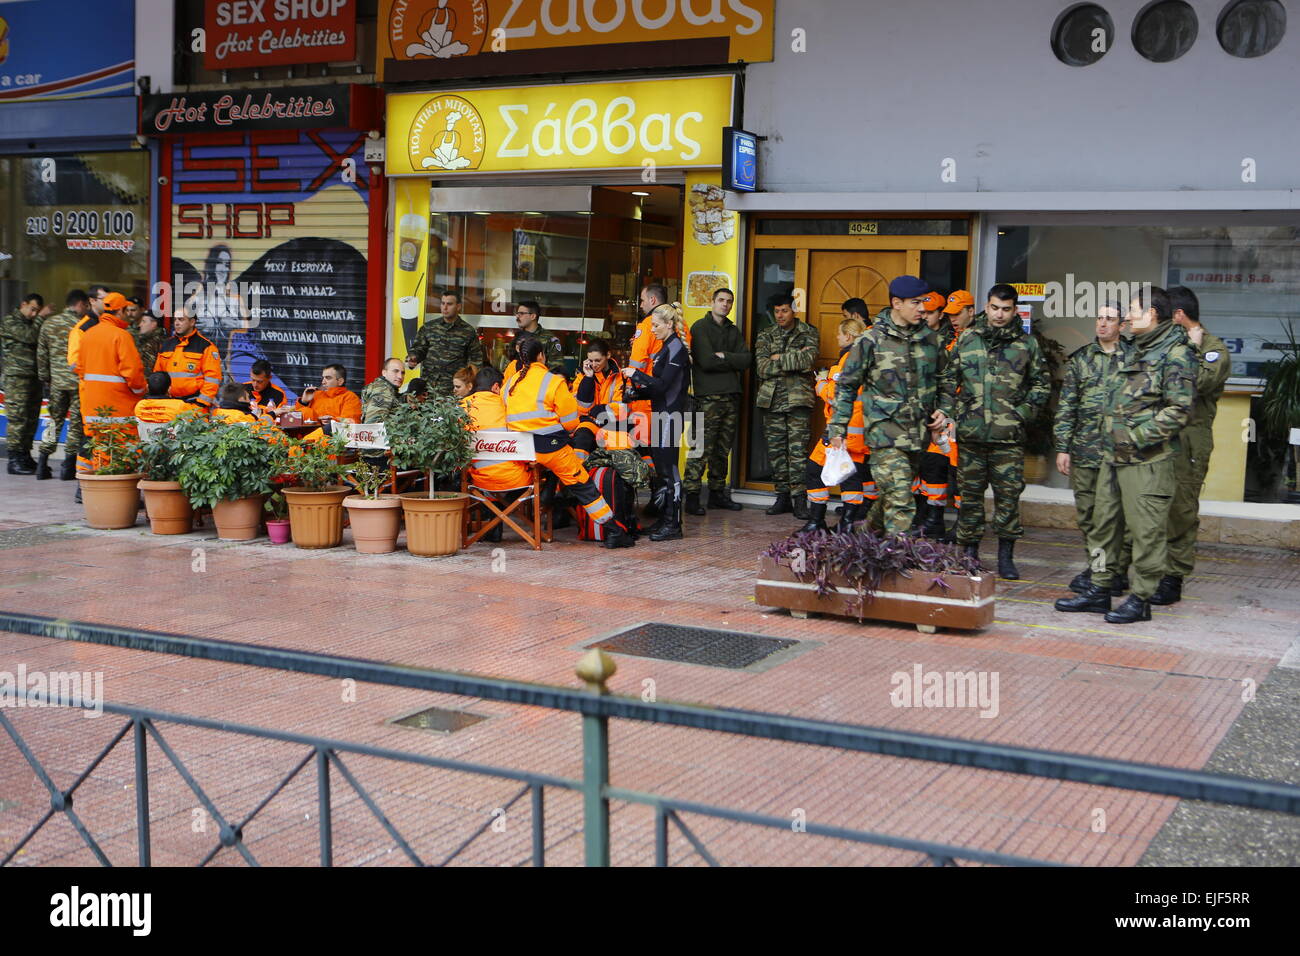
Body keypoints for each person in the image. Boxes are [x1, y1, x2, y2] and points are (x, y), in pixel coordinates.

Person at [1056, 287, 1196, 623]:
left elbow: (1180, 409)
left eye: (1133, 310)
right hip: (1112, 456)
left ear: (1153, 315)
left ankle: (1141, 598)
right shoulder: (1134, 348)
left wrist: (1136, 438)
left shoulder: (1175, 354)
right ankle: (1101, 587)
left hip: (1147, 461)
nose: (1128, 317)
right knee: (1103, 527)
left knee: (1145, 532)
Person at [937, 283, 1049, 578]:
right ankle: (970, 553)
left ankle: (1005, 556)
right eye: (995, 308)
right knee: (970, 497)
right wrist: (950, 413)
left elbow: (1041, 384)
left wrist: (1021, 414)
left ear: (1014, 310)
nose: (999, 314)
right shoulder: (968, 340)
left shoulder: (1027, 344)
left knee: (1008, 498)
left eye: (1006, 309)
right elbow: (948, 380)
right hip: (971, 435)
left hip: (1008, 439)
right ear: (986, 307)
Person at [828, 276, 947, 535]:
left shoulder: (931, 340)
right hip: (884, 434)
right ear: (896, 303)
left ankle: (865, 533)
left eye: (924, 302)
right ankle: (896, 558)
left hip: (918, 434)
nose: (922, 309)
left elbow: (946, 378)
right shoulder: (871, 340)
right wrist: (837, 428)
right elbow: (847, 385)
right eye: (915, 303)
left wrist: (944, 409)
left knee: (894, 493)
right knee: (901, 498)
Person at [504, 337, 634, 549]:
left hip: (520, 453)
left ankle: (549, 492)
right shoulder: (552, 381)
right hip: (550, 449)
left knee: (558, 467)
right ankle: (614, 531)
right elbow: (571, 421)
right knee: (583, 485)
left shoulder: (509, 383)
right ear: (541, 356)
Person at [1155, 285, 1231, 606]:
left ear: (1178, 315)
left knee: (1181, 509)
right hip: (1158, 438)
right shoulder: (1167, 344)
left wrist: (1191, 349)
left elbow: (1195, 383)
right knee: (1148, 503)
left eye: (1163, 316)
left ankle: (1173, 577)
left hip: (1188, 442)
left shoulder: (1214, 350)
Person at [1053, 304, 1131, 599]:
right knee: (1088, 516)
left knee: (1116, 517)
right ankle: (1098, 569)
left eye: (1110, 319)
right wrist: (1063, 447)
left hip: (1120, 453)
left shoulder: (1134, 358)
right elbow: (1067, 406)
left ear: (1121, 325)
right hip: (1085, 451)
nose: (1102, 324)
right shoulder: (1082, 359)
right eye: (1099, 318)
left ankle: (1116, 572)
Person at [622, 302, 692, 541]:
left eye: (656, 325)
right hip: (661, 413)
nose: (652, 329)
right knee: (662, 470)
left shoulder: (676, 349)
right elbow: (659, 388)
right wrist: (636, 393)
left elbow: (662, 385)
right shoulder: (665, 348)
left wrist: (637, 375)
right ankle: (665, 519)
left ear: (669, 325)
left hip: (671, 416)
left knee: (670, 471)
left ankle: (674, 525)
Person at [801, 316, 874, 532]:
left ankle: (817, 521)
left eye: (839, 334)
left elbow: (837, 395)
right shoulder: (865, 356)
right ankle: (847, 525)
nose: (836, 337)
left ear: (849, 336)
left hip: (843, 430)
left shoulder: (850, 359)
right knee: (852, 477)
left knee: (814, 470)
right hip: (856, 431)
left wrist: (821, 384)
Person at [685, 287, 750, 514]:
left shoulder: (733, 330)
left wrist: (726, 356)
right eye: (721, 300)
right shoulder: (700, 328)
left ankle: (716, 494)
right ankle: (692, 495)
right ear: (712, 302)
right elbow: (706, 361)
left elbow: (746, 359)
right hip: (707, 398)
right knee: (700, 447)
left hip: (731, 396)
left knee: (722, 450)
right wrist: (730, 360)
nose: (725, 304)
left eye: (729, 301)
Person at [754, 293, 819, 518]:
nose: (780, 315)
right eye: (777, 311)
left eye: (785, 310)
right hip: (771, 401)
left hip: (798, 400)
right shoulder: (766, 334)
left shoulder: (808, 332)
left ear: (794, 311)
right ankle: (782, 496)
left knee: (798, 452)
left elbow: (808, 360)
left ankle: (799, 499)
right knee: (776, 452)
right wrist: (793, 359)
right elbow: (761, 367)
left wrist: (777, 358)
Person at [75, 292, 147, 487]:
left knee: (99, 446)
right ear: (121, 310)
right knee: (123, 447)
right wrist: (141, 393)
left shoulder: (89, 334)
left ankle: (89, 489)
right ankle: (121, 492)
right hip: (119, 407)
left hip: (92, 406)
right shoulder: (121, 336)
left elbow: (79, 369)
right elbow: (133, 374)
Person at [463, 365, 534, 542]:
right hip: (516, 480)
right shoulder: (510, 406)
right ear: (496, 387)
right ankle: (501, 514)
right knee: (545, 471)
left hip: (479, 481)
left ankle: (494, 519)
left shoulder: (462, 407)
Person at [36, 290, 89, 480]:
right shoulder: (82, 326)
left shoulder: (49, 323)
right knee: (75, 425)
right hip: (77, 381)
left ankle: (42, 463)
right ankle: (68, 466)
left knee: (53, 422)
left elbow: (41, 354)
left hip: (56, 382)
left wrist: (45, 377)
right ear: (81, 304)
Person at [405, 289, 485, 396]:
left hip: (453, 390)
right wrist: (413, 357)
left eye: (449, 304)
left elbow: (475, 362)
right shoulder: (429, 327)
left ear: (458, 306)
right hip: (428, 388)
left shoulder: (468, 332)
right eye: (442, 303)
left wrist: (468, 387)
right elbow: (419, 349)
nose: (445, 307)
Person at [2, 292, 45, 474]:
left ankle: (25, 455)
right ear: (23, 304)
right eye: (32, 309)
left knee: (31, 418)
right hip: (16, 378)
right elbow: (29, 336)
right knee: (18, 419)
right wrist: (41, 319)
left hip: (33, 377)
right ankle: (14, 459)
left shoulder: (31, 323)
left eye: (38, 311)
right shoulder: (10, 321)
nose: (34, 314)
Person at [154, 305, 222, 409]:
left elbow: (212, 379)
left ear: (192, 322)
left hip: (193, 404)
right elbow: (158, 375)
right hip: (168, 404)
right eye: (175, 319)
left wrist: (201, 404)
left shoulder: (206, 347)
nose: (176, 323)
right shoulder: (166, 345)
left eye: (181, 319)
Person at [570, 338, 625, 466]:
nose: (594, 364)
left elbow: (621, 408)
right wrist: (588, 378)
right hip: (589, 422)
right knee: (581, 439)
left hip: (613, 425)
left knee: (622, 450)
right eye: (590, 360)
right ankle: (577, 479)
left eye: (597, 360)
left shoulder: (620, 377)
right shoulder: (581, 376)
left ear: (608, 356)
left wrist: (600, 410)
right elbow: (581, 407)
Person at [295, 364, 362, 425]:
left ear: (340, 381)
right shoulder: (316, 395)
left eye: (328, 378)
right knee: (306, 411)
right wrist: (304, 402)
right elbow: (298, 419)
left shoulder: (350, 398)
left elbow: (351, 422)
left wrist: (332, 421)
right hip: (309, 435)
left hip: (333, 436)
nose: (323, 382)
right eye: (323, 378)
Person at [513, 301, 565, 375]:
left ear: (533, 316)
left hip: (540, 382)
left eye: (521, 314)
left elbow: (557, 368)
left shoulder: (549, 338)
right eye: (517, 313)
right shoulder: (517, 337)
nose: (517, 316)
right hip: (519, 382)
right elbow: (510, 364)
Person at [362, 357, 405, 424]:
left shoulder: (388, 390)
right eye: (395, 371)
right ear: (384, 373)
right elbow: (374, 425)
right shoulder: (382, 391)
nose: (400, 376)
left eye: (402, 373)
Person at [131, 310, 165, 376]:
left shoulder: (158, 343)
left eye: (144, 321)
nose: (140, 325)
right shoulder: (143, 340)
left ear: (154, 324)